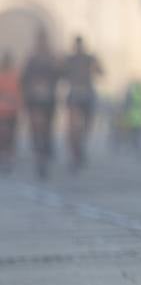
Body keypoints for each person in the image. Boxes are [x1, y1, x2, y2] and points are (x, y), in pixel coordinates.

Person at [21, 29, 63, 179]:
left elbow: (59, 75)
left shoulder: (52, 58)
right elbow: (24, 78)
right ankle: (39, 149)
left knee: (47, 128)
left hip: (48, 99)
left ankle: (45, 148)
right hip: (34, 99)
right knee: (35, 127)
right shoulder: (31, 58)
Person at [62, 35, 103, 171]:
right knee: (74, 127)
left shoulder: (89, 59)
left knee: (87, 126)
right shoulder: (69, 60)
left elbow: (101, 72)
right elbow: (60, 74)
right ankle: (75, 152)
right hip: (74, 94)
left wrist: (96, 66)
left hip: (87, 94)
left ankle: (80, 145)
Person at [0, 51, 19, 170]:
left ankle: (9, 157)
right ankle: (4, 155)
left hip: (12, 111)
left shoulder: (15, 76)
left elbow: (19, 93)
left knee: (11, 135)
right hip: (2, 111)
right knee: (3, 135)